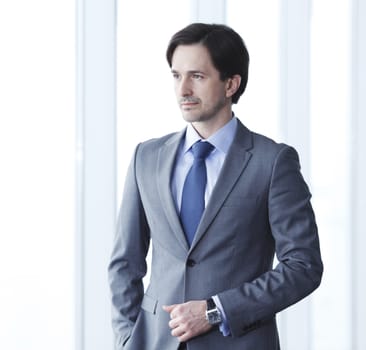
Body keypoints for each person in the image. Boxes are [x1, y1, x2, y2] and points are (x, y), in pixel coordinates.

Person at [108, 23, 323, 350]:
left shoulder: (273, 162)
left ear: (231, 84)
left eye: (197, 76)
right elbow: (125, 263)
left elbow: (303, 267)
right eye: (176, 76)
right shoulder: (146, 158)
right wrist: (127, 338)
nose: (183, 90)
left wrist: (215, 310)